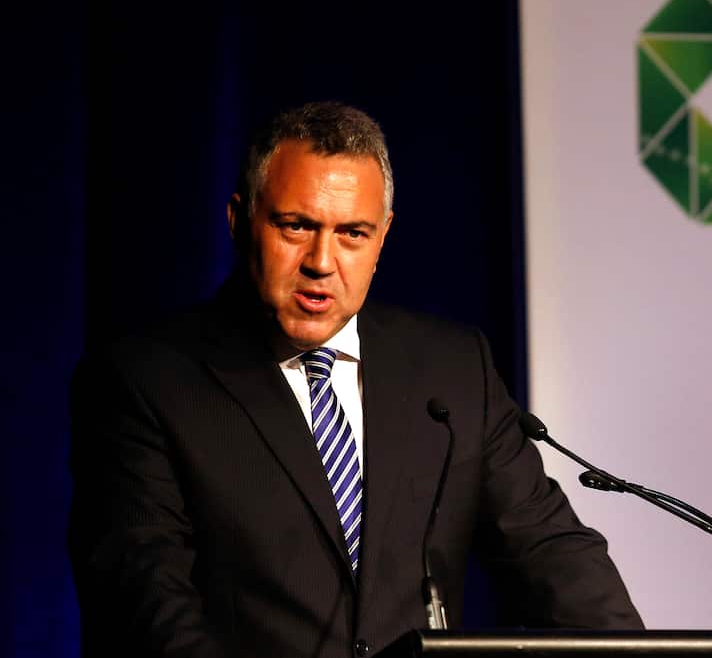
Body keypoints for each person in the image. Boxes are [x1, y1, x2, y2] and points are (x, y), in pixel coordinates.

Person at [68, 102, 642, 658]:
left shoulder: (451, 369)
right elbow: (144, 598)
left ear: (384, 236)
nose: (322, 260)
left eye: (352, 234)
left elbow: (550, 553)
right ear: (240, 222)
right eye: (296, 226)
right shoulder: (147, 380)